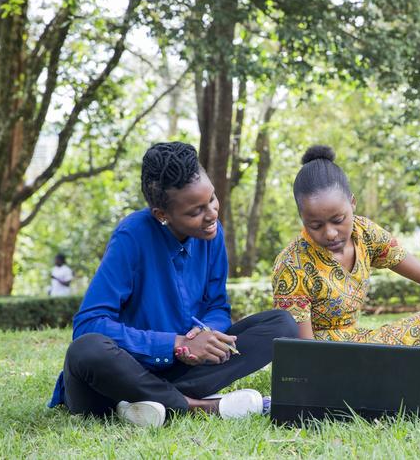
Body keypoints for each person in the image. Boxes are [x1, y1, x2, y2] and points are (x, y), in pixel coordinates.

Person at [48, 142, 298, 427]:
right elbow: (88, 324)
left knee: (281, 326)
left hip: (180, 371)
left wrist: (204, 336)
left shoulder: (212, 235)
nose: (212, 213)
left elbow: (217, 306)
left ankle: (149, 403)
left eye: (212, 199)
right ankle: (198, 406)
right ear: (161, 215)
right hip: (118, 375)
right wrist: (175, 344)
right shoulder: (131, 236)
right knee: (86, 350)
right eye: (196, 211)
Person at [272, 145, 420, 371]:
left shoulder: (365, 233)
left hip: (363, 341)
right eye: (316, 225)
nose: (330, 233)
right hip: (334, 362)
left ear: (352, 203)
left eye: (338, 219)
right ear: (302, 218)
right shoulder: (293, 264)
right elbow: (305, 355)